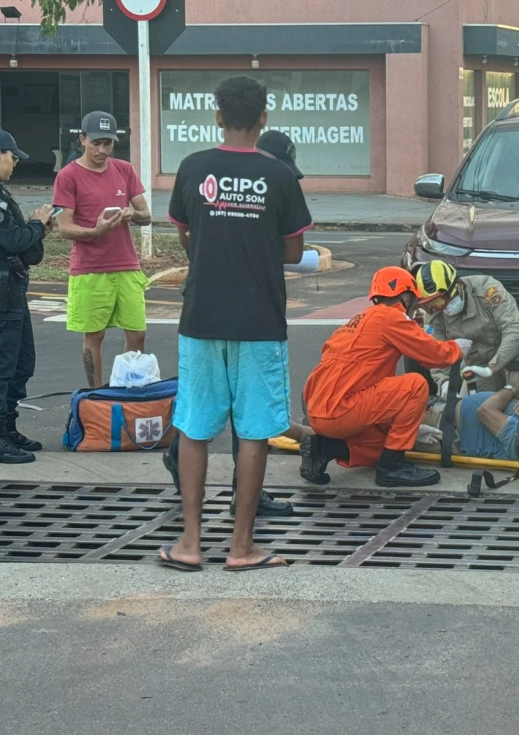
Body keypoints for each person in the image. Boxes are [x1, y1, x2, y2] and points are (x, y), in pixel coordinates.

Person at [160, 75, 313, 572]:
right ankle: (242, 547)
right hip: (259, 319)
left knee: (194, 427)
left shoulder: (193, 167)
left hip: (201, 313)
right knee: (252, 433)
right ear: (264, 118)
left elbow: (186, 235)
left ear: (218, 116)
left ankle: (189, 543)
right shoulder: (280, 176)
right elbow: (294, 249)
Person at [301, 266, 467, 488]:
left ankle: (323, 448)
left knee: (384, 445)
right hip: (340, 409)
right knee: (415, 385)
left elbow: (371, 389)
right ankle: (393, 468)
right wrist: (457, 348)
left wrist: (412, 430)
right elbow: (432, 355)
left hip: (320, 408)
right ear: (406, 296)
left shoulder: (359, 319)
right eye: (414, 301)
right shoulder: (391, 317)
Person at [53, 111, 152, 388]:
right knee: (94, 337)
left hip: (127, 265)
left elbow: (146, 214)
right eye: (96, 142)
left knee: (137, 333)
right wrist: (96, 232)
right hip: (89, 269)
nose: (102, 150)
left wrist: (132, 214)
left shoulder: (124, 169)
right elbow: (64, 227)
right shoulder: (68, 176)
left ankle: (127, 388)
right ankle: (96, 395)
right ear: (82, 139)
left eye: (108, 143)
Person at [0, 130, 53, 463]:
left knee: (21, 366)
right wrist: (35, 225)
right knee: (3, 369)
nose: (15, 162)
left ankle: (8, 428)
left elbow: (27, 251)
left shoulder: (5, 194)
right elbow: (9, 242)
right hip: (3, 299)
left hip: (14, 293)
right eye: (11, 156)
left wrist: (39, 229)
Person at [415, 260, 519, 397]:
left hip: (511, 358)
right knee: (466, 408)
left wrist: (492, 368)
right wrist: (444, 383)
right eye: (431, 303)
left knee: (514, 398)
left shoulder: (487, 289)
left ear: (459, 285)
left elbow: (514, 329)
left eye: (439, 300)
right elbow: (435, 351)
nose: (441, 307)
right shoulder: (434, 314)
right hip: (478, 366)